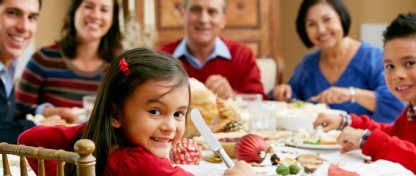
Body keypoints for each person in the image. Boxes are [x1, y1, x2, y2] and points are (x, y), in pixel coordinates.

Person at [18, 48, 255, 176]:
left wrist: (85, 135)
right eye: (155, 111)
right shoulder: (140, 164)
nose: (170, 127)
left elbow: (29, 139)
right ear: (116, 115)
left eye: (178, 114)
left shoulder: (108, 152)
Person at [313, 13, 416, 175]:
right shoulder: (414, 111)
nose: (397, 75)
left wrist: (365, 139)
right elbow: (391, 134)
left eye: (409, 63)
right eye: (390, 66)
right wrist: (346, 121)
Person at [270, 0, 404, 123]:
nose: (321, 30)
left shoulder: (374, 58)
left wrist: (351, 94)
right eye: (312, 24)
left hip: (362, 144)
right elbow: (293, 98)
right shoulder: (308, 63)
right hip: (314, 144)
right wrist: (283, 92)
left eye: (327, 20)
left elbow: (397, 105)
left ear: (341, 17)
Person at [15, 0, 122, 121]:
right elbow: (17, 113)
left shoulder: (120, 67)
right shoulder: (43, 59)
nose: (95, 15)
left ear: (113, 19)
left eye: (104, 10)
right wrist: (45, 112)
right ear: (74, 12)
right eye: (88, 6)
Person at [158, 0, 265, 100]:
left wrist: (232, 95)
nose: (203, 19)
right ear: (182, 14)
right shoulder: (162, 57)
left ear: (223, 19)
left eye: (212, 12)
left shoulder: (242, 55)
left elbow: (260, 101)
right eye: (196, 10)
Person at [0, 0, 67, 144]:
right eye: (12, 13)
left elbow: (4, 116)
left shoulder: (7, 66)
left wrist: (41, 112)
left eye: (31, 17)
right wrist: (38, 126)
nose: (23, 27)